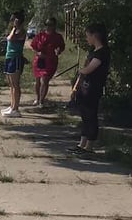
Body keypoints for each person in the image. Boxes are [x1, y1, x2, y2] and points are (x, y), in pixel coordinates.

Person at [69, 23, 111, 154]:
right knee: (85, 117)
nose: (87, 38)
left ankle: (89, 146)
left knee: (91, 116)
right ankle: (82, 144)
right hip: (85, 88)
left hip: (93, 89)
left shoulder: (102, 52)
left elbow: (89, 69)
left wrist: (81, 70)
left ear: (95, 35)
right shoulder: (94, 52)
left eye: (88, 36)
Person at [29, 17, 66, 107]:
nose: (48, 26)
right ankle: (37, 98)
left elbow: (61, 47)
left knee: (45, 80)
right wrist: (38, 53)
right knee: (38, 80)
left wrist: (58, 51)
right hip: (39, 60)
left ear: (54, 25)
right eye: (46, 24)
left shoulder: (58, 37)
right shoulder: (40, 35)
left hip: (50, 61)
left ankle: (41, 101)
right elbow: (33, 46)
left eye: (50, 25)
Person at [1, 10, 26, 117]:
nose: (11, 21)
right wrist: (13, 28)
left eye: (13, 19)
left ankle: (16, 109)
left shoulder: (21, 31)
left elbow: (11, 38)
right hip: (9, 57)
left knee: (15, 84)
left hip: (16, 58)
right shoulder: (13, 30)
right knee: (11, 84)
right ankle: (12, 106)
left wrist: (15, 27)